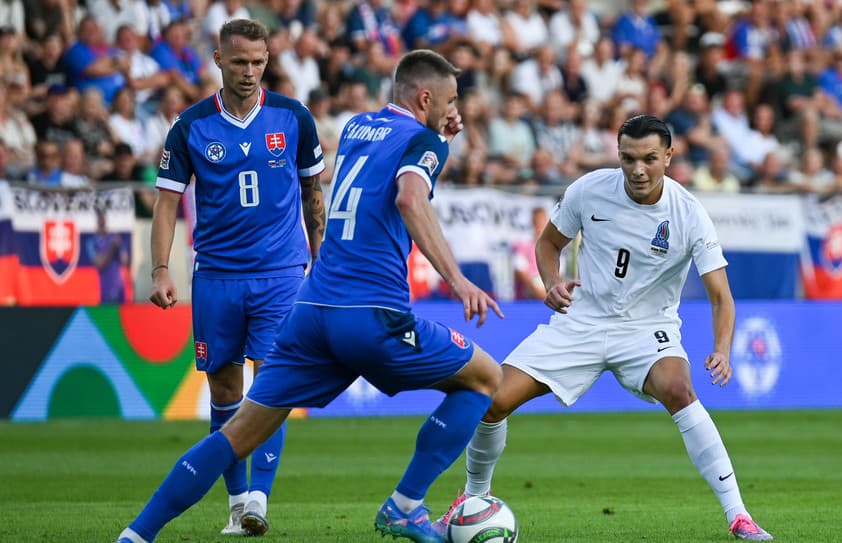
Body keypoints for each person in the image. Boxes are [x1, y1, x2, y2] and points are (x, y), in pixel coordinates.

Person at [117, 48, 503, 543]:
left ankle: (136, 534)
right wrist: (459, 280)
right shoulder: (426, 140)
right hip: (373, 314)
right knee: (483, 379)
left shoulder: (361, 128)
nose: (455, 111)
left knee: (233, 435)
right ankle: (405, 505)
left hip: (312, 308)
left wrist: (435, 141)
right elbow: (409, 196)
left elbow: (391, 174)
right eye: (449, 100)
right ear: (425, 97)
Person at [440, 115, 774, 542]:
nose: (638, 170)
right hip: (581, 321)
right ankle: (473, 501)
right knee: (493, 400)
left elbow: (721, 297)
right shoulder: (589, 189)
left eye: (650, 159)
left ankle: (739, 515)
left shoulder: (689, 213)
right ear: (618, 155)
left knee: (679, 390)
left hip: (646, 328)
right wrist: (552, 283)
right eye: (628, 158)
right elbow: (548, 244)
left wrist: (723, 349)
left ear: (669, 156)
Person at [144, 19, 326, 538]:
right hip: (217, 276)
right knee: (224, 390)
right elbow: (166, 204)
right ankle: (237, 502)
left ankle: (260, 500)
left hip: (281, 274)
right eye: (240, 61)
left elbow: (314, 194)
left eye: (259, 62)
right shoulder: (191, 125)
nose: (249, 72)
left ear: (268, 60)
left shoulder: (294, 118)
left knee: (273, 384)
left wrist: (323, 264)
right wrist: (162, 270)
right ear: (218, 59)